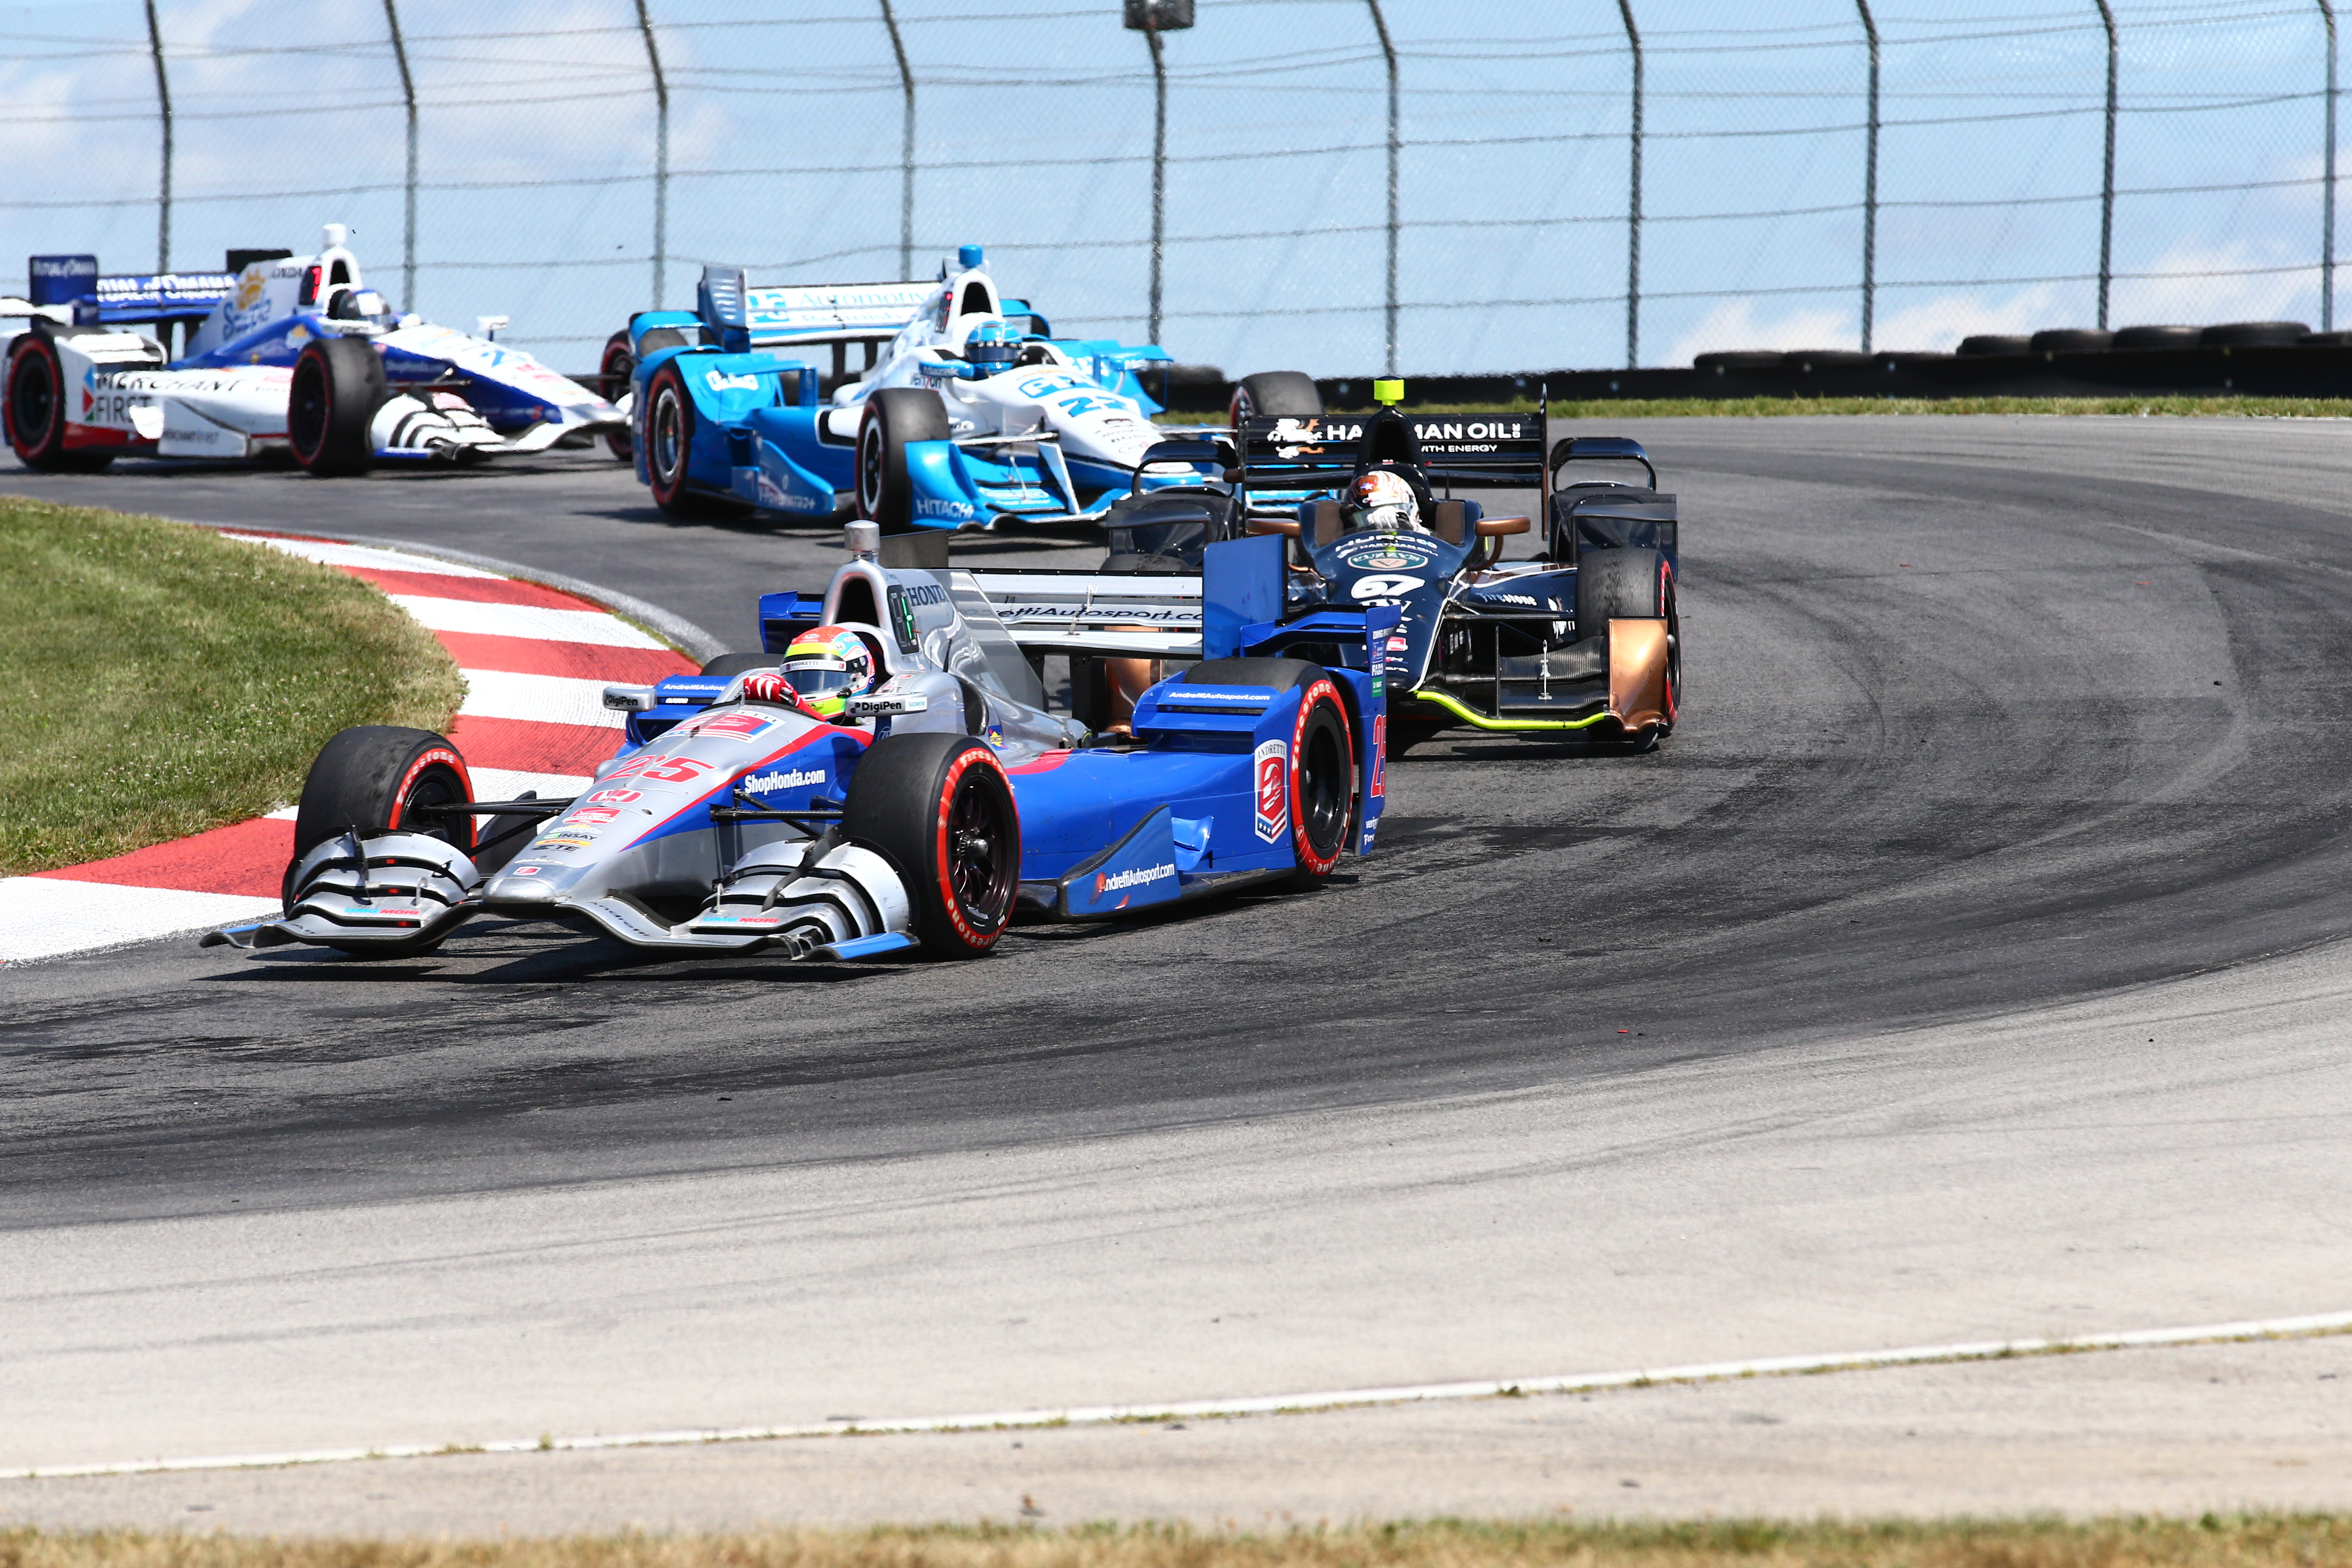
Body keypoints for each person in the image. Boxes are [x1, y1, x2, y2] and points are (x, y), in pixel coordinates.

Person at [738, 626, 876, 720]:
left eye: (827, 679)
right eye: (800, 681)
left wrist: (799, 705)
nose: (810, 688)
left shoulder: (873, 719)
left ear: (858, 677)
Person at [1346, 468, 1423, 534]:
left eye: (1398, 507)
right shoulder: (1347, 548)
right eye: (1365, 516)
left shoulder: (1428, 538)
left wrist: (1407, 525)